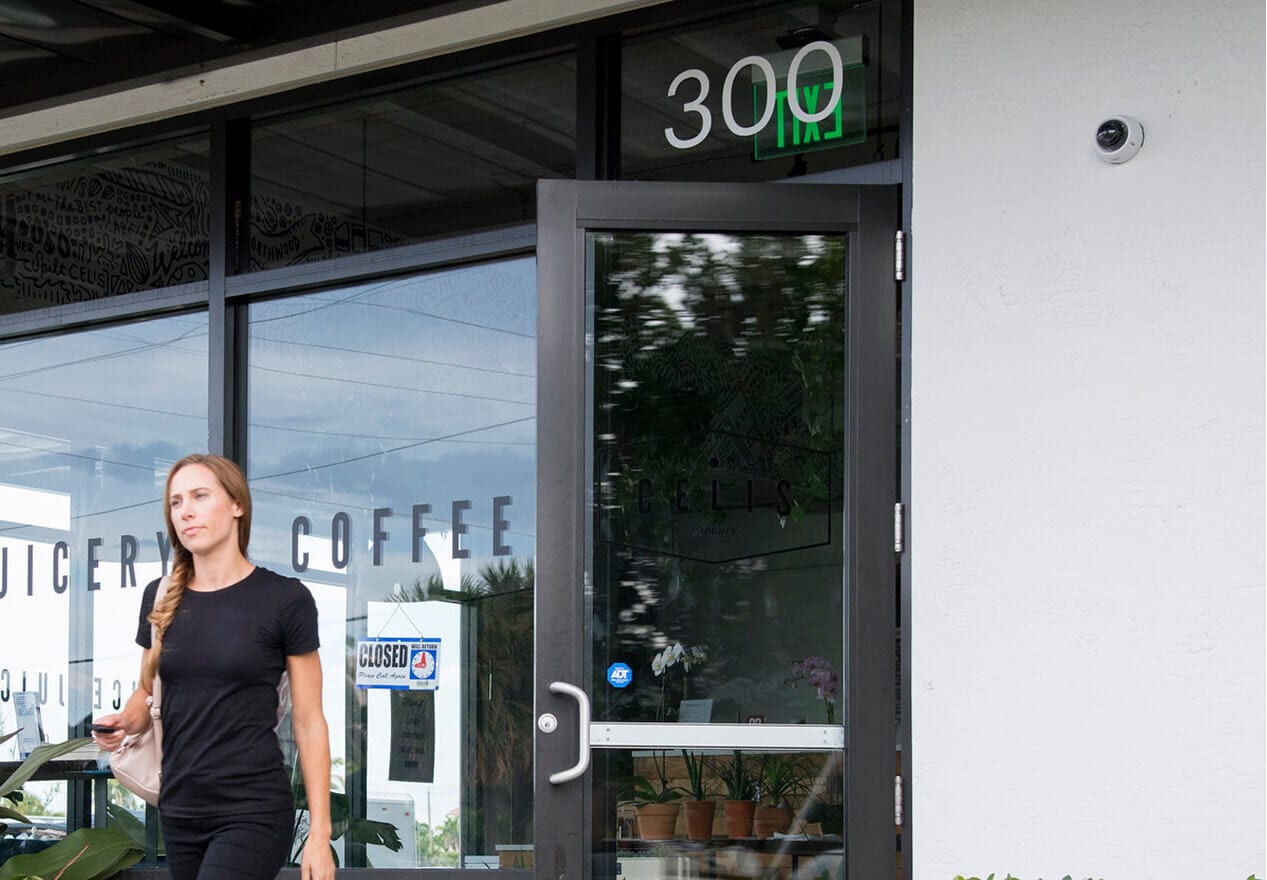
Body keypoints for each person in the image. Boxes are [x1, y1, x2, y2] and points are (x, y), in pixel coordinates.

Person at [92, 454, 335, 880]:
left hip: (252, 809)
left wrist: (319, 833)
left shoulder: (284, 600)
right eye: (175, 502)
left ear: (236, 504)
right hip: (180, 808)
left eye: (200, 496)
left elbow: (310, 721)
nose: (185, 511)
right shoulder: (160, 594)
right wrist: (125, 723)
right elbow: (147, 692)